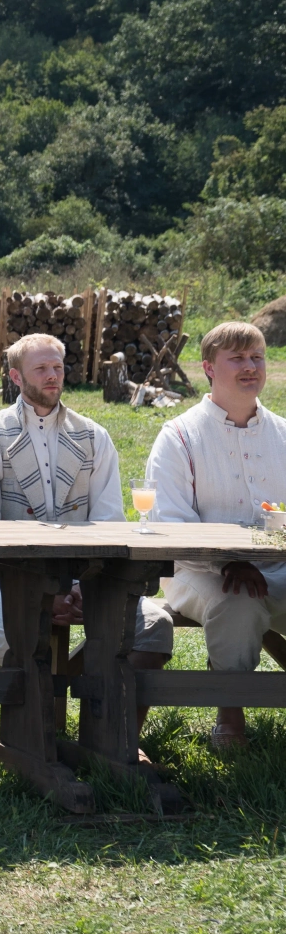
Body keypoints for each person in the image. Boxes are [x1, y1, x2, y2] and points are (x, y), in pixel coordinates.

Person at [0, 334, 172, 722]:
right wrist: (45, 588)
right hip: (10, 571)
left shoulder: (93, 436)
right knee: (12, 634)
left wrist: (77, 585)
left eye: (57, 367)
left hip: (89, 573)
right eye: (40, 369)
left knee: (154, 627)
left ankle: (114, 731)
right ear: (15, 376)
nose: (52, 376)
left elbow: (110, 521)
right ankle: (31, 737)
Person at [146, 321, 286, 752]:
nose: (250, 367)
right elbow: (170, 520)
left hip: (278, 564)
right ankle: (231, 716)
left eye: (257, 357)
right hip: (194, 569)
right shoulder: (179, 436)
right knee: (237, 601)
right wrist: (227, 560)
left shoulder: (282, 433)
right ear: (208, 367)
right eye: (238, 358)